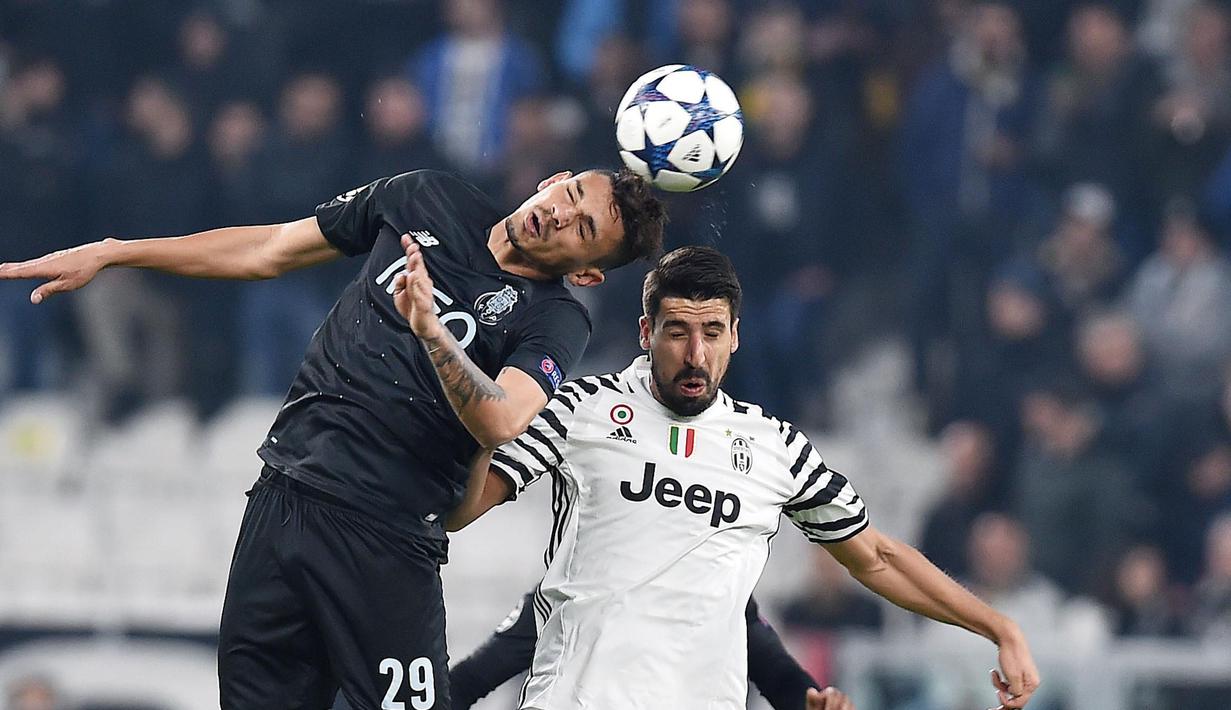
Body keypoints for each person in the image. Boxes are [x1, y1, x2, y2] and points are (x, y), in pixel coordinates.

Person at [0, 166, 667, 708]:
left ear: (585, 272)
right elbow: (269, 249)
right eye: (570, 196)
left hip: (385, 538)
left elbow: (502, 417)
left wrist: (434, 333)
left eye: (583, 229)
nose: (558, 215)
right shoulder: (423, 196)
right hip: (283, 499)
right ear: (554, 179)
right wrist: (118, 254)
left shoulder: (554, 319)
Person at [448, 246, 1041, 709]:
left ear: (735, 336)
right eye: (677, 331)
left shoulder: (774, 447)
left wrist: (997, 627)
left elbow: (876, 556)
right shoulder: (582, 407)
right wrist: (480, 425)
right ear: (644, 333)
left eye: (711, 332)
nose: (695, 353)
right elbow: (464, 508)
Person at [450, 590, 854, 710]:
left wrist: (813, 701)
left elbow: (780, 677)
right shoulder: (566, 596)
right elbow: (467, 683)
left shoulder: (722, 599)